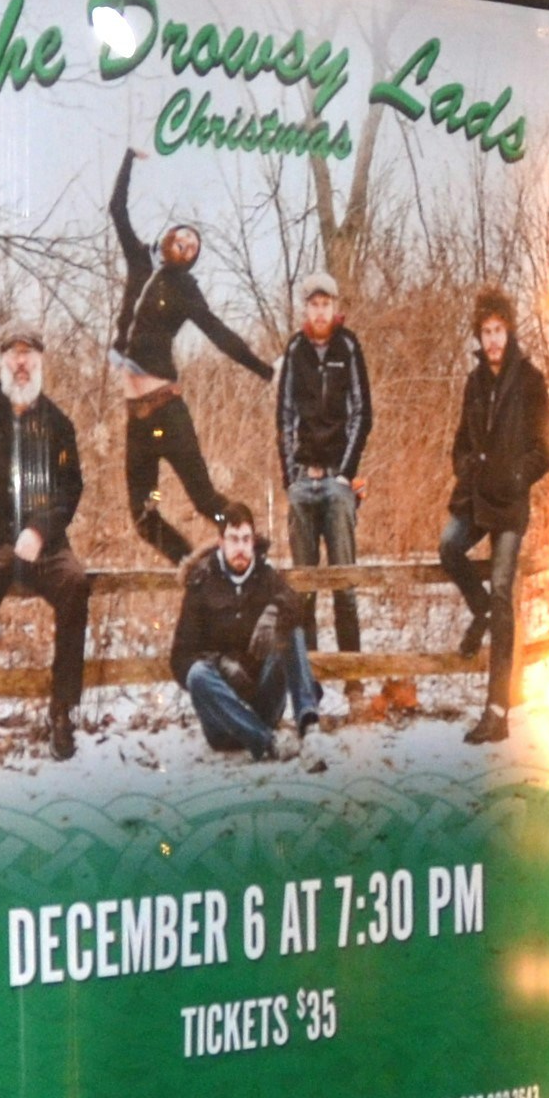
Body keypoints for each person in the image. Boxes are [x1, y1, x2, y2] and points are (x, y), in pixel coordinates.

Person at [109, 152, 270, 557]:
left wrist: (267, 371)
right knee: (145, 516)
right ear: (168, 239)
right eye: (182, 238)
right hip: (137, 422)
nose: (185, 246)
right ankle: (193, 569)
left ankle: (252, 548)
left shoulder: (184, 288)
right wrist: (128, 155)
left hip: (167, 413)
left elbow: (219, 334)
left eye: (193, 247)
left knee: (205, 502)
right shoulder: (139, 261)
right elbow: (117, 209)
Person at [0, 336, 93, 765]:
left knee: (76, 585)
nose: (21, 362)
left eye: (29, 354)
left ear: (41, 360)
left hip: (42, 546)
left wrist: (41, 531)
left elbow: (70, 487)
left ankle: (62, 714)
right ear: (2, 359)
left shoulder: (58, 422)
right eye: (14, 354)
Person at [437, 287, 549, 746]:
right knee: (449, 546)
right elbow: (460, 444)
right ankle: (480, 609)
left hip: (509, 502)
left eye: (499, 331)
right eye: (485, 332)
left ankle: (497, 710)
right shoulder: (472, 382)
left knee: (504, 586)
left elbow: (546, 447)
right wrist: (467, 468)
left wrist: (516, 474)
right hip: (474, 496)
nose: (492, 340)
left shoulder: (529, 379)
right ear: (478, 335)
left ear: (509, 331)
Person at [169, 510, 323, 761]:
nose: (240, 547)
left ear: (252, 541)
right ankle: (267, 742)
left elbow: (298, 607)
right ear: (221, 543)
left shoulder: (265, 575)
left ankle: (309, 724)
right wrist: (219, 663)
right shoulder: (202, 583)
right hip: (223, 721)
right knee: (197, 674)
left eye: (245, 539)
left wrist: (274, 612)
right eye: (233, 539)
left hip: (263, 702)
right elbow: (179, 658)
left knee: (291, 631)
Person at [274, 275, 374, 655]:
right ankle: (309, 678)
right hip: (301, 483)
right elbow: (284, 416)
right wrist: (290, 479)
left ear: (335, 307)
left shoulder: (348, 348)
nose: (320, 311)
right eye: (313, 305)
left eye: (326, 304)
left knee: (345, 585)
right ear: (306, 308)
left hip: (337, 482)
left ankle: (353, 680)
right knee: (304, 587)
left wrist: (346, 475)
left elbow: (362, 414)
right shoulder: (295, 349)